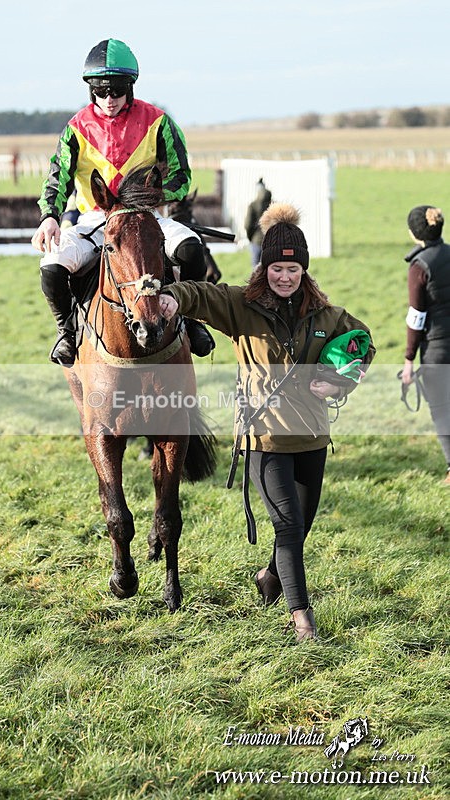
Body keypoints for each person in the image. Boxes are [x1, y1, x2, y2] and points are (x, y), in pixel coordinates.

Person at [159, 203, 375, 642]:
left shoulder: (326, 316)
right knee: (289, 527)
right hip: (264, 439)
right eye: (277, 267)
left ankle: (271, 577)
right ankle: (302, 620)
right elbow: (200, 294)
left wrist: (338, 384)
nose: (284, 276)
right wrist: (170, 298)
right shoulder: (241, 305)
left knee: (299, 530)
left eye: (292, 269)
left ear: (303, 271)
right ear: (265, 267)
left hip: (312, 438)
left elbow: (362, 345)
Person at [31, 38, 214, 366]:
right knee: (51, 265)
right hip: (93, 220)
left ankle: (192, 320)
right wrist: (50, 216)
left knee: (191, 248)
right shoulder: (75, 128)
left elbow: (181, 176)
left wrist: (150, 198)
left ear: (130, 87)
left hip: (145, 217)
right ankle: (67, 333)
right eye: (101, 91)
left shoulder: (158, 121)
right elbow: (57, 179)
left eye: (116, 90)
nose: (109, 99)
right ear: (91, 90)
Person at [401, 206, 450, 486]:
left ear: (414, 232)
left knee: (442, 408)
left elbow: (417, 317)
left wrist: (408, 359)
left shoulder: (419, 266)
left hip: (438, 349)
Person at [244, 178, 272, 269]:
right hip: (271, 242)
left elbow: (248, 225)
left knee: (256, 271)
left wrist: (250, 237)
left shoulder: (253, 205)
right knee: (270, 268)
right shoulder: (274, 205)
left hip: (256, 241)